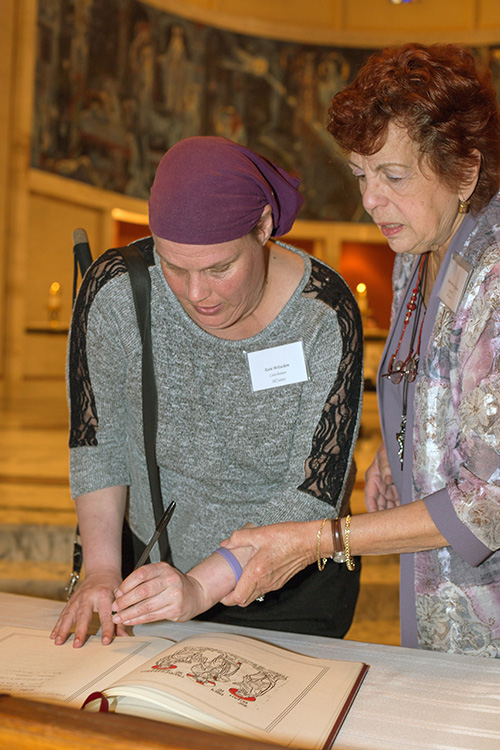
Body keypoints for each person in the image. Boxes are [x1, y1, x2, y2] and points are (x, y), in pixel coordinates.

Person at [217, 43, 500, 657]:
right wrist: (393, 460)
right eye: (361, 175)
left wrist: (323, 539)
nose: (371, 200)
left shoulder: (496, 279)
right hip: (436, 583)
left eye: (393, 176)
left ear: (465, 170)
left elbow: (492, 501)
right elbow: (425, 392)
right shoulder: (416, 254)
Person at [51, 136, 363, 647]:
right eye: (174, 267)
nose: (197, 294)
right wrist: (102, 571)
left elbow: (310, 490)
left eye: (220, 268)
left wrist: (201, 585)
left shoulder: (323, 316)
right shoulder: (116, 292)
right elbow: (99, 444)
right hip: (153, 574)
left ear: (263, 227)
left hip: (289, 594)